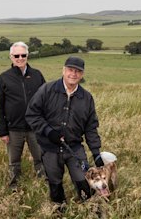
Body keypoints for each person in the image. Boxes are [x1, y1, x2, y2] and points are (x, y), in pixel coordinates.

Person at [25, 56, 103, 209]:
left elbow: (91, 127)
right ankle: (59, 213)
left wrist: (96, 153)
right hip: (50, 148)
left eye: (77, 71)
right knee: (55, 183)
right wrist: (48, 131)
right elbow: (32, 114)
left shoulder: (86, 98)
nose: (73, 74)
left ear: (82, 74)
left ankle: (91, 211)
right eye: (70, 70)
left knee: (83, 180)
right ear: (64, 70)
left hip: (74, 148)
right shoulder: (47, 90)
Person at [0, 41, 46, 190]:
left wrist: (44, 124)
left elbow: (46, 100)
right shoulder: (4, 78)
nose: (20, 58)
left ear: (27, 56)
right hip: (13, 128)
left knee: (40, 158)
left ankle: (44, 183)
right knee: (14, 161)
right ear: (11, 57)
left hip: (35, 127)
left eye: (23, 55)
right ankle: (14, 187)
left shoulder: (37, 75)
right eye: (16, 55)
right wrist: (2, 131)